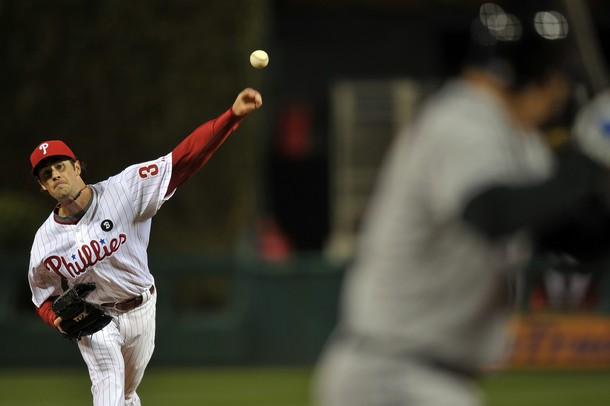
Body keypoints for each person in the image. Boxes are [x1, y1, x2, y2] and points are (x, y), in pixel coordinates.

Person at [313, 2, 610, 405]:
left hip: (427, 376)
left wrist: (594, 175)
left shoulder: (519, 140)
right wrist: (588, 159)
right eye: (558, 73)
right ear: (532, 75)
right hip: (389, 372)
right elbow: (490, 213)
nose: (562, 90)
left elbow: (573, 238)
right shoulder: (460, 120)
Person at [27, 88, 262, 406]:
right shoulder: (44, 242)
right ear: (43, 186)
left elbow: (183, 160)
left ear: (77, 166)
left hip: (141, 307)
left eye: (60, 166)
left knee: (125, 395)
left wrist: (230, 117)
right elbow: (44, 297)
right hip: (96, 319)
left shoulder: (125, 189)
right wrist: (55, 319)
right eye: (46, 174)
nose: (55, 175)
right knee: (109, 393)